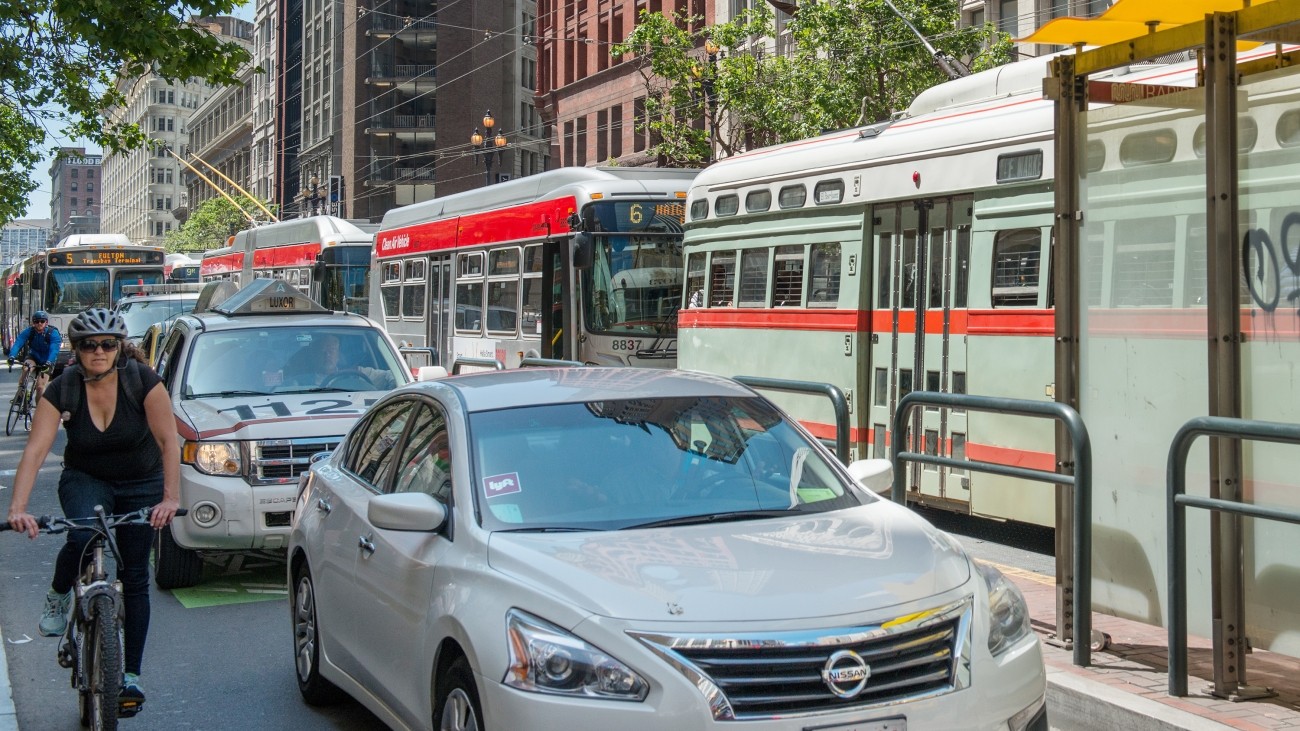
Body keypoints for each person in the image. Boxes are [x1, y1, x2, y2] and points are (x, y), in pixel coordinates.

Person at [4, 307, 180, 715]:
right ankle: (59, 593)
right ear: (77, 350)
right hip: (86, 477)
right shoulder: (63, 389)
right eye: (88, 345)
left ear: (119, 348)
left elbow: (169, 442)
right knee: (82, 534)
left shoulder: (144, 382)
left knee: (135, 573)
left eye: (106, 344)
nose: (98, 352)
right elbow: (36, 450)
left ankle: (130, 675)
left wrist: (170, 498)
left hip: (142, 481)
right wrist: (19, 508)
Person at [286, 333, 394, 389]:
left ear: (338, 354)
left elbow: (392, 376)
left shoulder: (356, 374)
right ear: (314, 355)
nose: (327, 354)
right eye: (322, 351)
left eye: (331, 350)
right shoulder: (299, 381)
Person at [8, 311, 62, 403]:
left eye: (42, 321)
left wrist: (49, 362)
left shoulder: (53, 333)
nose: (39, 324)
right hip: (33, 356)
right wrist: (12, 356)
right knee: (26, 369)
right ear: (33, 323)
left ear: (46, 322)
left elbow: (54, 350)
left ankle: (39, 410)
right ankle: (22, 393)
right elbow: (18, 343)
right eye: (36, 321)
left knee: (40, 387)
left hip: (47, 360)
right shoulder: (29, 331)